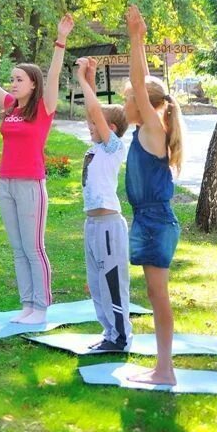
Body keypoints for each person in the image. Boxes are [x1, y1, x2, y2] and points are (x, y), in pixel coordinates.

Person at [0, 14, 74, 324]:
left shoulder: (44, 108)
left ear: (33, 84)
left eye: (18, 79)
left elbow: (53, 75)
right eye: (12, 79)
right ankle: (27, 304)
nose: (13, 84)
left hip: (30, 185)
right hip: (6, 184)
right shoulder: (11, 106)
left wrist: (60, 39)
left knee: (33, 246)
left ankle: (41, 307)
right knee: (17, 248)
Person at [123, 4, 186, 385]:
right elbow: (143, 80)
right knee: (154, 293)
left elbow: (138, 81)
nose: (125, 102)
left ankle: (165, 370)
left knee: (158, 295)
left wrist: (135, 39)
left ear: (144, 105)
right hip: (150, 221)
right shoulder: (150, 130)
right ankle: (162, 366)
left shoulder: (153, 131)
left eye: (130, 99)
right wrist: (140, 41)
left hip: (155, 222)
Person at [75, 56, 132, 351]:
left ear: (109, 127)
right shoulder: (96, 147)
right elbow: (93, 110)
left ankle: (121, 336)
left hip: (109, 225)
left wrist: (84, 80)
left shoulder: (113, 148)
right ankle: (109, 333)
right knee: (96, 282)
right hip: (93, 224)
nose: (90, 126)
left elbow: (95, 111)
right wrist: (91, 75)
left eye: (94, 124)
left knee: (111, 282)